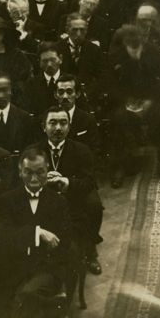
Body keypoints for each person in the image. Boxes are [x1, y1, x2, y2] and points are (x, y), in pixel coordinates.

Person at [0, 150, 74, 318]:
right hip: (14, 269)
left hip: (47, 269)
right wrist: (38, 234)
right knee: (27, 298)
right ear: (20, 172)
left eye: (40, 172)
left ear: (48, 172)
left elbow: (62, 244)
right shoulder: (7, 200)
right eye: (28, 172)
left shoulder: (59, 202)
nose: (34, 178)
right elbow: (1, 237)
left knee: (27, 294)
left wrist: (25, 239)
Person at [20, 107, 103, 275]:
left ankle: (89, 250)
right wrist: (42, 181)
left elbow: (89, 181)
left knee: (93, 206)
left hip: (72, 201)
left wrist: (66, 182)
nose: (58, 128)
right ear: (44, 127)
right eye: (53, 123)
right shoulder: (32, 151)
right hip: (41, 201)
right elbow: (21, 180)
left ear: (69, 127)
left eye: (63, 123)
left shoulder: (82, 150)